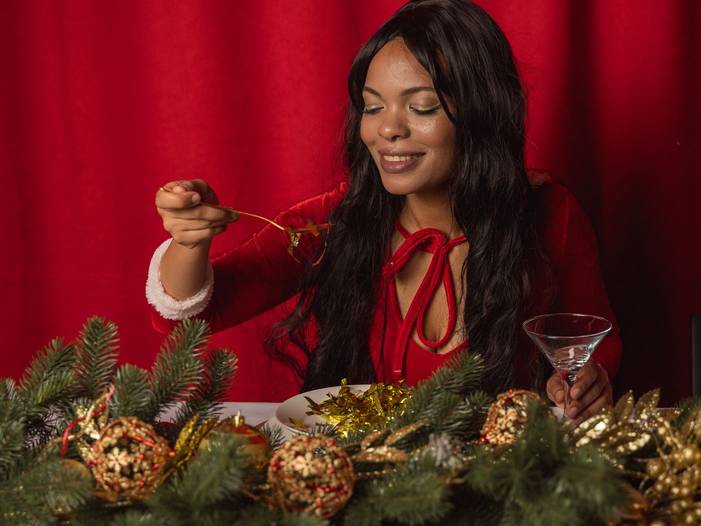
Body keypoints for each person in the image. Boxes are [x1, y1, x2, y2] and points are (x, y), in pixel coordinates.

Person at [146, 0, 621, 423]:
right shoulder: (331, 222)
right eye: (372, 108)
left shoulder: (550, 215)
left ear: (481, 112)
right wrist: (189, 241)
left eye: (422, 107)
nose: (388, 130)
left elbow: (594, 347)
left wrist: (584, 384)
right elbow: (185, 317)